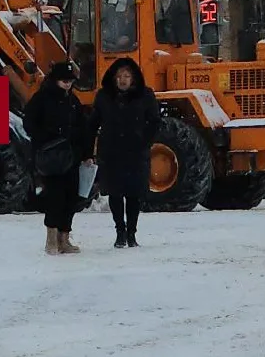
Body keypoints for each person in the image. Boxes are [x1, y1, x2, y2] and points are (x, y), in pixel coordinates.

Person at [89, 57, 161, 248]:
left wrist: (143, 140)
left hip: (136, 153)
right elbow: (92, 123)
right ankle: (119, 231)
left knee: (134, 194)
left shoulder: (145, 95)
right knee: (115, 193)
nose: (123, 80)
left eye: (127, 76)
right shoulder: (104, 96)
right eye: (119, 76)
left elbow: (154, 122)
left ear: (134, 78)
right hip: (111, 153)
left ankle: (132, 233)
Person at [23, 61, 93, 255]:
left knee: (71, 198)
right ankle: (51, 239)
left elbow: (83, 129)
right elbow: (29, 122)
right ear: (55, 80)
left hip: (71, 156)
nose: (68, 84)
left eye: (70, 81)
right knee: (55, 197)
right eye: (64, 81)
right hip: (51, 157)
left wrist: (87, 154)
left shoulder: (73, 101)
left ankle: (64, 238)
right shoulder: (42, 99)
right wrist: (46, 139)